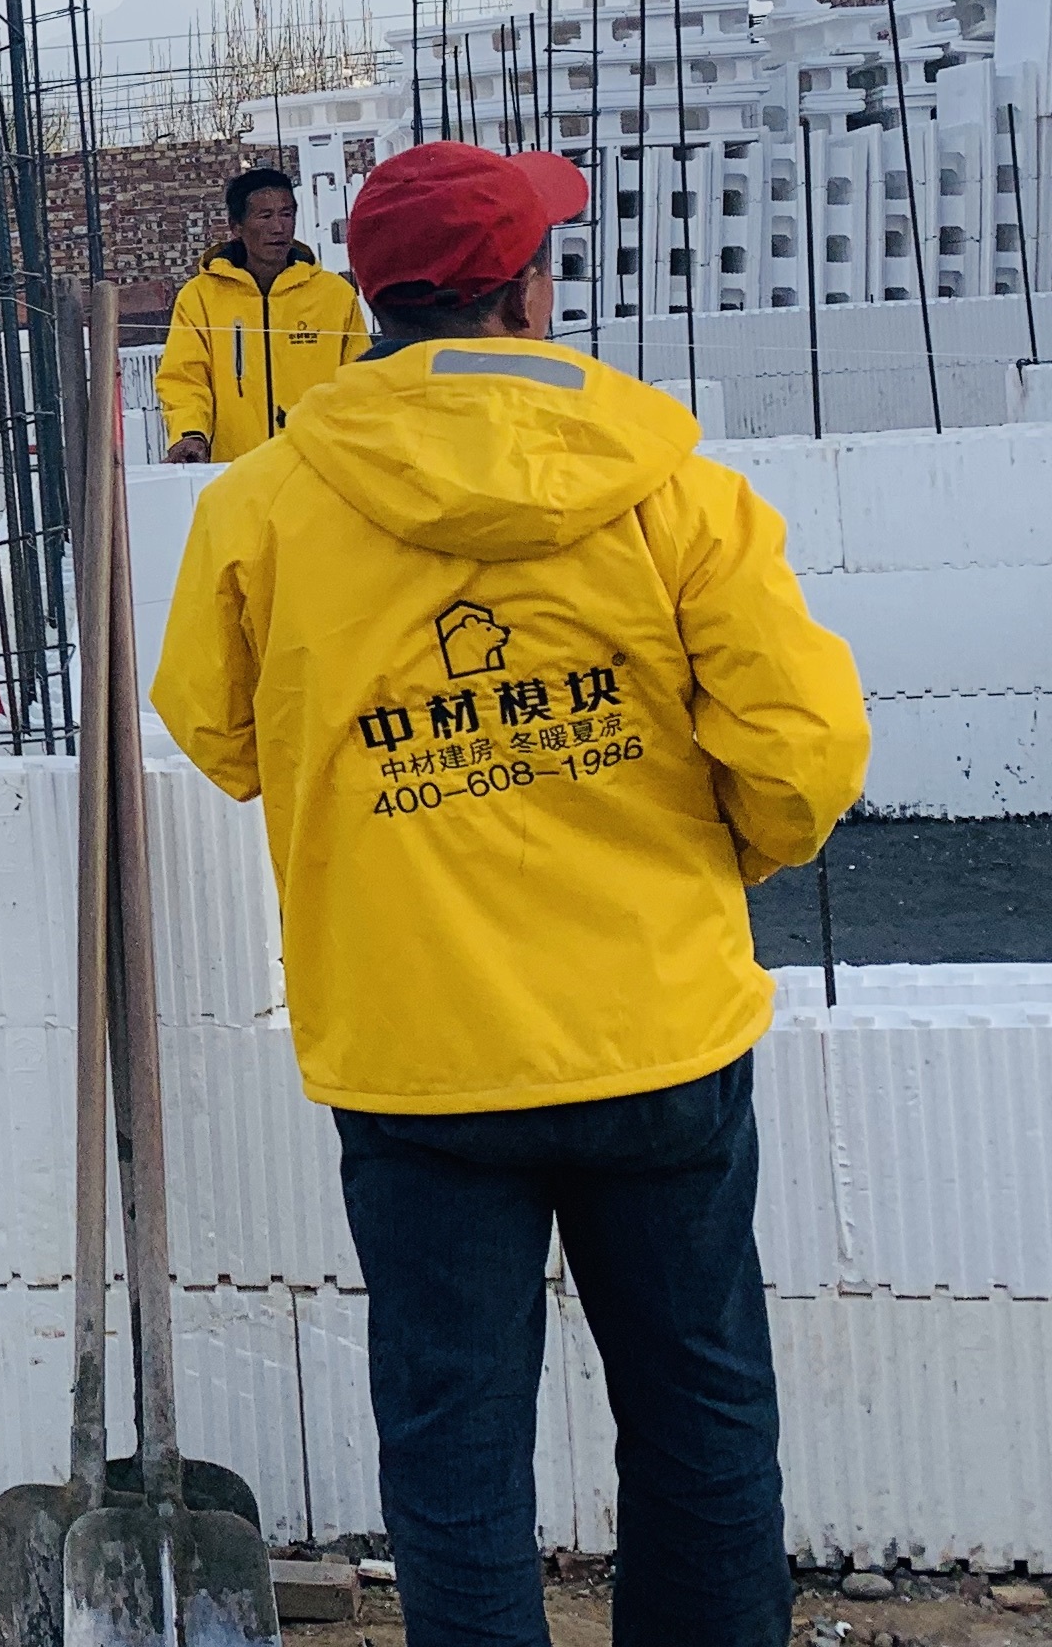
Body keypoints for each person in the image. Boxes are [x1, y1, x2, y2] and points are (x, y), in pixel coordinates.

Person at [149, 139, 868, 1647]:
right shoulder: (673, 488)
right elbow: (803, 762)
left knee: (456, 1449)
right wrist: (701, 863)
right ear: (530, 287)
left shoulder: (265, 508)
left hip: (418, 1055)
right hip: (657, 1034)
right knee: (701, 1417)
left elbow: (217, 734)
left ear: (370, 295)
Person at [155, 164, 366, 462]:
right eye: (265, 216)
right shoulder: (200, 297)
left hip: (319, 468)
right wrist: (191, 433)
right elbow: (184, 378)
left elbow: (358, 381)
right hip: (233, 472)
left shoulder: (335, 295)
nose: (278, 227)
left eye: (286, 214)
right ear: (236, 226)